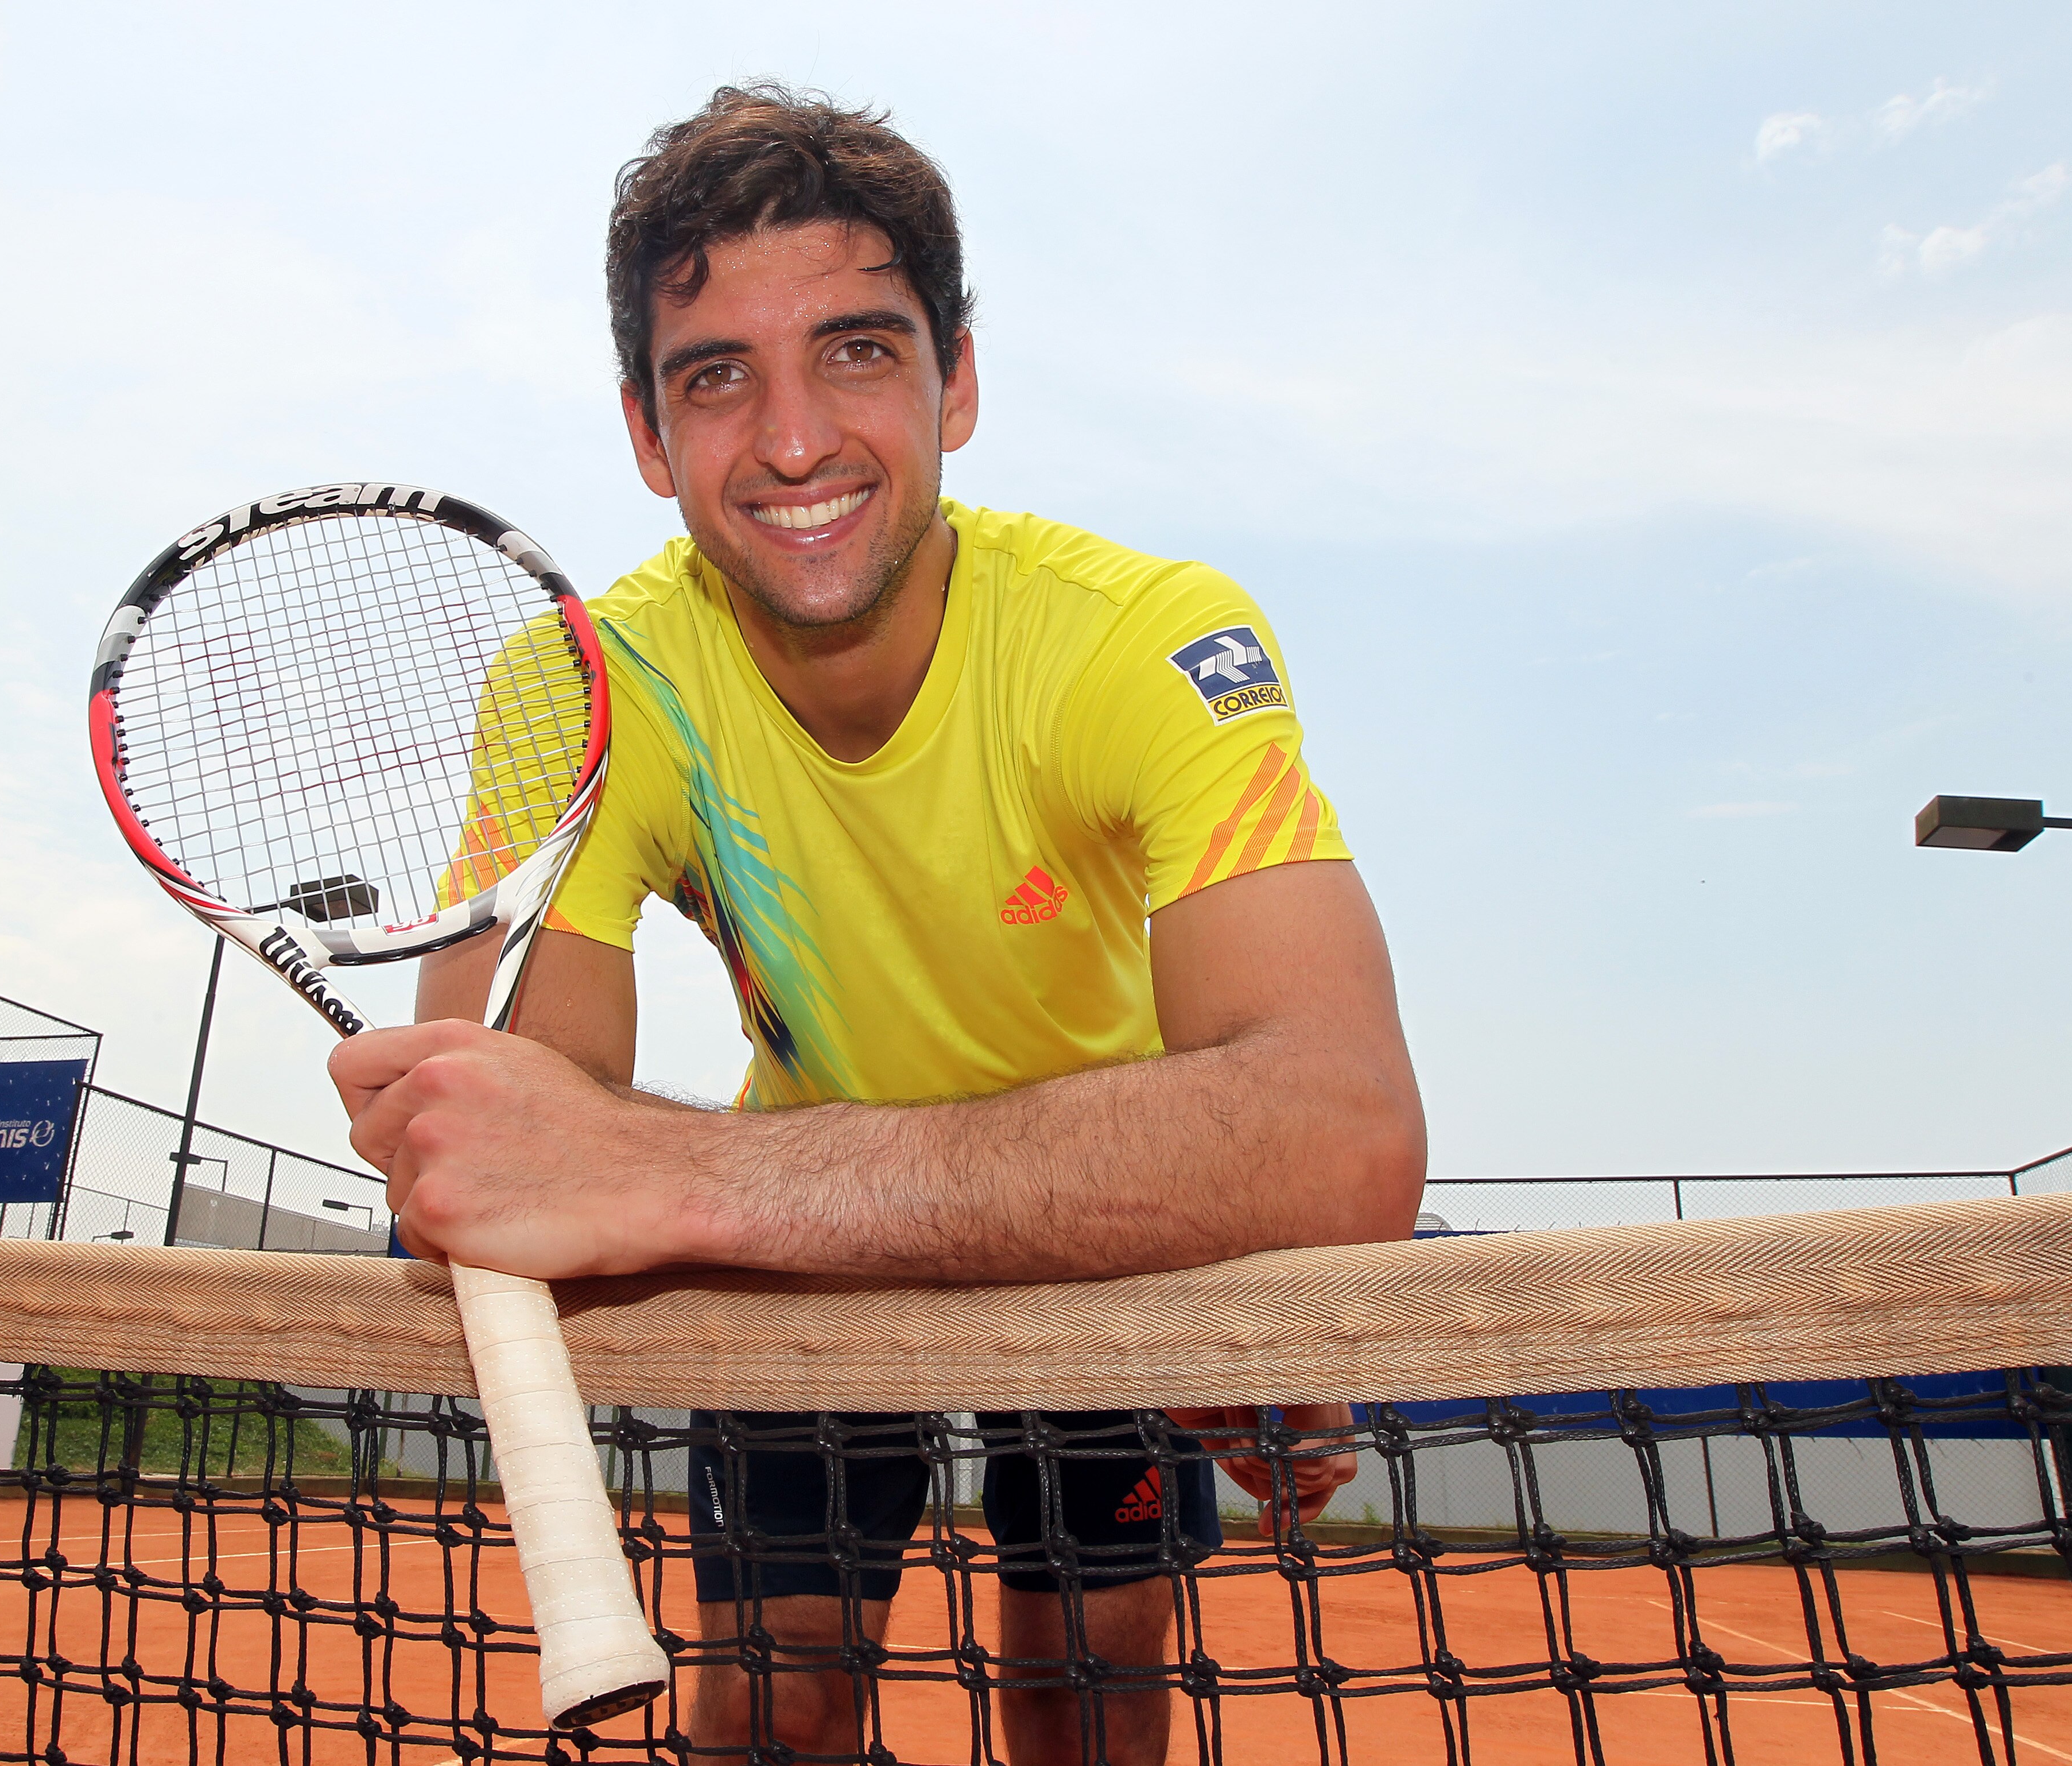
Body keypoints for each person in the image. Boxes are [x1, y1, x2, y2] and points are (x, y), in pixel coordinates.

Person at [332, 84, 1427, 1765]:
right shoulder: (581, 687)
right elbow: (506, 1150)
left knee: (1090, 1713)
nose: (792, 439)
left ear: (956, 381)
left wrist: (673, 1177)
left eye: (855, 349)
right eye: (719, 378)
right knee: (764, 1726)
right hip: (806, 1267)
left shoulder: (1144, 637)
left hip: (1103, 1248)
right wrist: (500, 1158)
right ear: (647, 432)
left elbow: (1342, 1131)